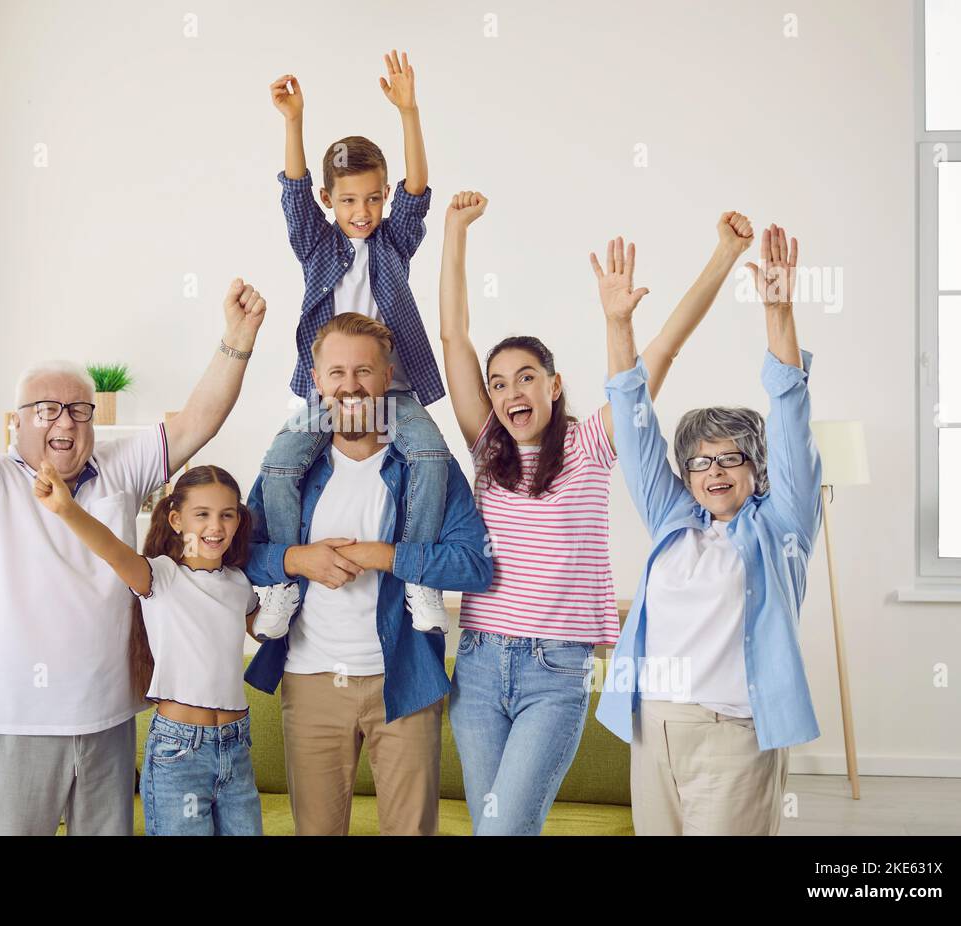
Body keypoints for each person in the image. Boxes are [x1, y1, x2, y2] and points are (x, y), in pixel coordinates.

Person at [439, 189, 756, 835]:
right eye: (497, 383)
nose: (508, 392)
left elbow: (660, 355)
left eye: (525, 376)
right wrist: (454, 230)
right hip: (475, 661)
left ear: (553, 386)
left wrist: (723, 255)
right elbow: (452, 333)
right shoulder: (486, 448)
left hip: (553, 669)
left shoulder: (590, 446)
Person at [0, 278, 267, 835]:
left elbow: (198, 420)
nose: (66, 422)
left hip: (107, 718)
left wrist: (237, 340)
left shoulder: (121, 466)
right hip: (14, 720)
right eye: (47, 410)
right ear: (16, 421)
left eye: (79, 410)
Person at [596, 224, 822, 836]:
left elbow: (791, 416)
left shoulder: (782, 526)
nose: (714, 470)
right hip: (655, 730)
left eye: (731, 458)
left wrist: (779, 312)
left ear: (757, 467)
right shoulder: (674, 521)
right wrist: (619, 326)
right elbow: (633, 422)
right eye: (700, 459)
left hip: (736, 734)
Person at [243, 313, 493, 835]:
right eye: (336, 373)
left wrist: (387, 556)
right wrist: (297, 560)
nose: (350, 386)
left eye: (363, 371)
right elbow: (240, 552)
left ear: (388, 376)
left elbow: (473, 564)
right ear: (316, 381)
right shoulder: (289, 470)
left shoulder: (430, 468)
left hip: (404, 679)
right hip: (311, 682)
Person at [255, 51, 455, 639]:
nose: (361, 211)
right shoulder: (316, 247)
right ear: (329, 200)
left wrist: (409, 111)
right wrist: (294, 121)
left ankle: (419, 578)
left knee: (431, 455)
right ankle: (284, 587)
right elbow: (291, 192)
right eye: (347, 200)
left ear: (382, 197)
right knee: (281, 463)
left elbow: (418, 189)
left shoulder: (395, 244)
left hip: (391, 389)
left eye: (371, 199)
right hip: (333, 392)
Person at [35, 461, 263, 836]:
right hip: (180, 752)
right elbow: (111, 549)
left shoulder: (239, 583)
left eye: (227, 515)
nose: (215, 527)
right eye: (201, 514)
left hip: (236, 747)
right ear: (176, 520)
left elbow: (263, 632)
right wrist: (66, 508)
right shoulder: (161, 576)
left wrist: (278, 610)